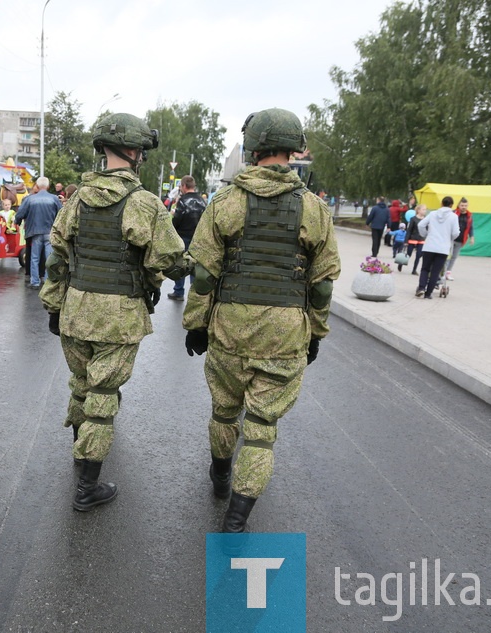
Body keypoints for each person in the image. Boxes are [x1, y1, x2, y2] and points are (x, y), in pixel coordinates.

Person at [182, 108, 340, 533]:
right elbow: (323, 286)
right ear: (294, 149)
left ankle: (219, 475)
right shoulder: (315, 209)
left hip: (230, 325)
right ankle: (238, 515)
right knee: (261, 427)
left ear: (252, 149)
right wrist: (317, 332)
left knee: (224, 411)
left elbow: (202, 275)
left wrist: (196, 324)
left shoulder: (225, 201)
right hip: (286, 329)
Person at [40, 112, 190, 511]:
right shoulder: (144, 204)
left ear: (103, 150)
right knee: (104, 395)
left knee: (81, 384)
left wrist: (54, 305)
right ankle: (88, 488)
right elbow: (172, 259)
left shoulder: (75, 201)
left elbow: (58, 259)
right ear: (135, 151)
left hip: (75, 308)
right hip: (119, 316)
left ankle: (80, 451)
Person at [14, 176, 62, 288]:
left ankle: (35, 282)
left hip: (35, 232)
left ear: (37, 186)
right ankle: (47, 280)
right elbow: (61, 214)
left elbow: (20, 213)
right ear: (48, 186)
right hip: (49, 231)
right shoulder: (54, 198)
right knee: (49, 257)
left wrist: (17, 221)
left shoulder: (30, 199)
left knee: (34, 258)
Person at [167, 174, 207, 301]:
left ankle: (179, 292)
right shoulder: (202, 201)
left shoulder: (183, 201)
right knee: (195, 266)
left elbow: (177, 219)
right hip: (198, 238)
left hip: (183, 237)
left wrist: (172, 230)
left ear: (184, 186)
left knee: (181, 265)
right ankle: (194, 294)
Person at [415, 196, 460, 299]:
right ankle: (428, 294)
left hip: (430, 245)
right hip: (443, 248)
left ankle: (421, 288)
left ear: (441, 204)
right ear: (451, 205)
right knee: (436, 271)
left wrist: (426, 235)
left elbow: (421, 225)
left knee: (425, 268)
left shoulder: (432, 214)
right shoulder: (454, 217)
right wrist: (449, 239)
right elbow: (456, 232)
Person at [445, 197, 475, 280]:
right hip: (451, 239)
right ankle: (442, 272)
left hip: (461, 240)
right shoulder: (453, 213)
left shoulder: (469, 216)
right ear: (458, 205)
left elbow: (470, 227)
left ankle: (448, 272)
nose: (464, 207)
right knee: (447, 256)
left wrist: (472, 237)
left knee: (454, 257)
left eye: (465, 205)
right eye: (462, 205)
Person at [405, 204, 427, 274]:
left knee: (419, 255)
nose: (425, 211)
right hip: (413, 238)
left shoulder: (426, 219)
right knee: (409, 254)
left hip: (421, 239)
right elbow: (409, 230)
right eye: (423, 209)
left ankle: (414, 270)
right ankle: (401, 263)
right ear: (418, 210)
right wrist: (406, 240)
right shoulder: (413, 219)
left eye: (425, 209)